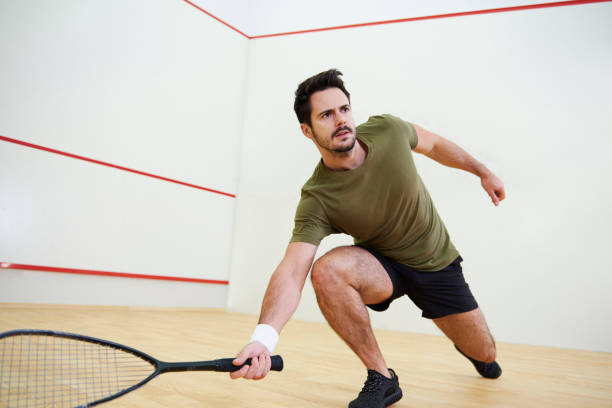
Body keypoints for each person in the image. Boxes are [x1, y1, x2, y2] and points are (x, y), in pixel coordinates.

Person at [230, 69, 506, 408]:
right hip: (381, 265)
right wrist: (264, 339)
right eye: (326, 115)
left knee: (485, 351)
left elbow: (434, 145)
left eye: (344, 109)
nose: (340, 120)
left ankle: (475, 353)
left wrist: (482, 170)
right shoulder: (317, 198)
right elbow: (292, 269)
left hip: (436, 264)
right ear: (307, 130)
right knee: (326, 271)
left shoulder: (388, 131)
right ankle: (382, 377)